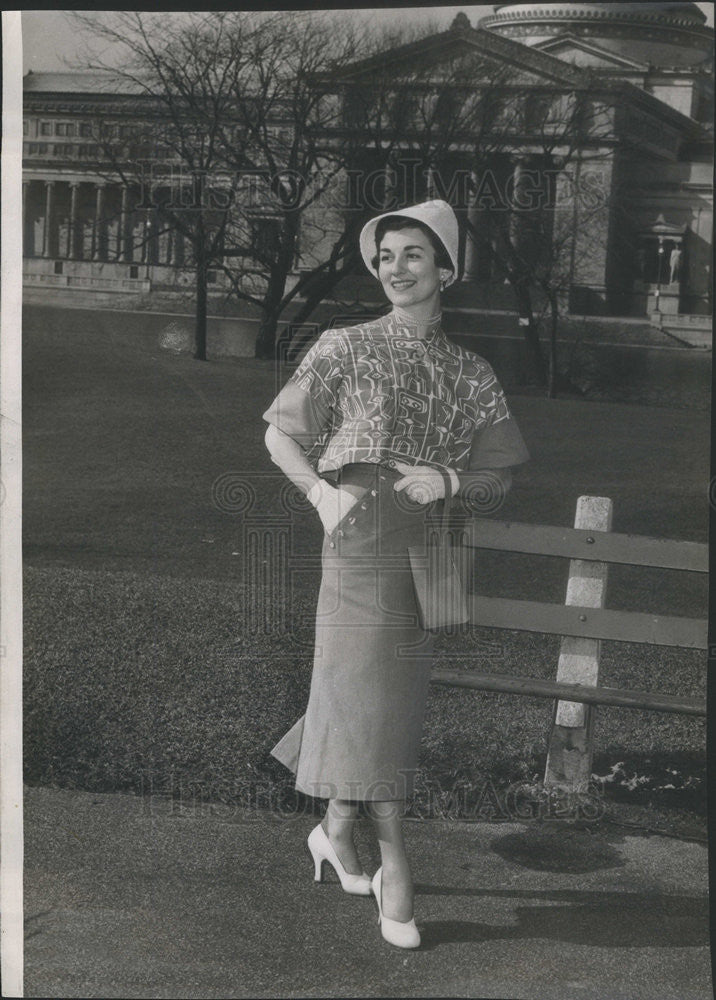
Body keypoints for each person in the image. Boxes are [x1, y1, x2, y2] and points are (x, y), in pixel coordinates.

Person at [263, 199, 529, 948]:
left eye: (414, 255)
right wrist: (320, 493)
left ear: (445, 269)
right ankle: (395, 868)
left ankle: (335, 828)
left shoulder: (471, 371)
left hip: (434, 546)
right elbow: (280, 435)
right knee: (372, 687)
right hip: (359, 537)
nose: (396, 269)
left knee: (382, 694)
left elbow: (498, 476)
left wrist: (449, 480)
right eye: (386, 258)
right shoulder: (343, 346)